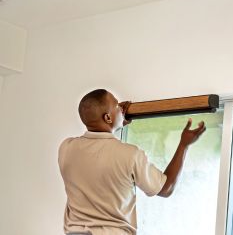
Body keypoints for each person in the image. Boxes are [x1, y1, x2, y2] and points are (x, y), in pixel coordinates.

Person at [58, 89, 206, 235]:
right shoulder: (131, 154)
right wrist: (184, 144)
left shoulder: (66, 148)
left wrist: (117, 121)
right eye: (117, 105)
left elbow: (100, 149)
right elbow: (165, 188)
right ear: (107, 118)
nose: (121, 108)